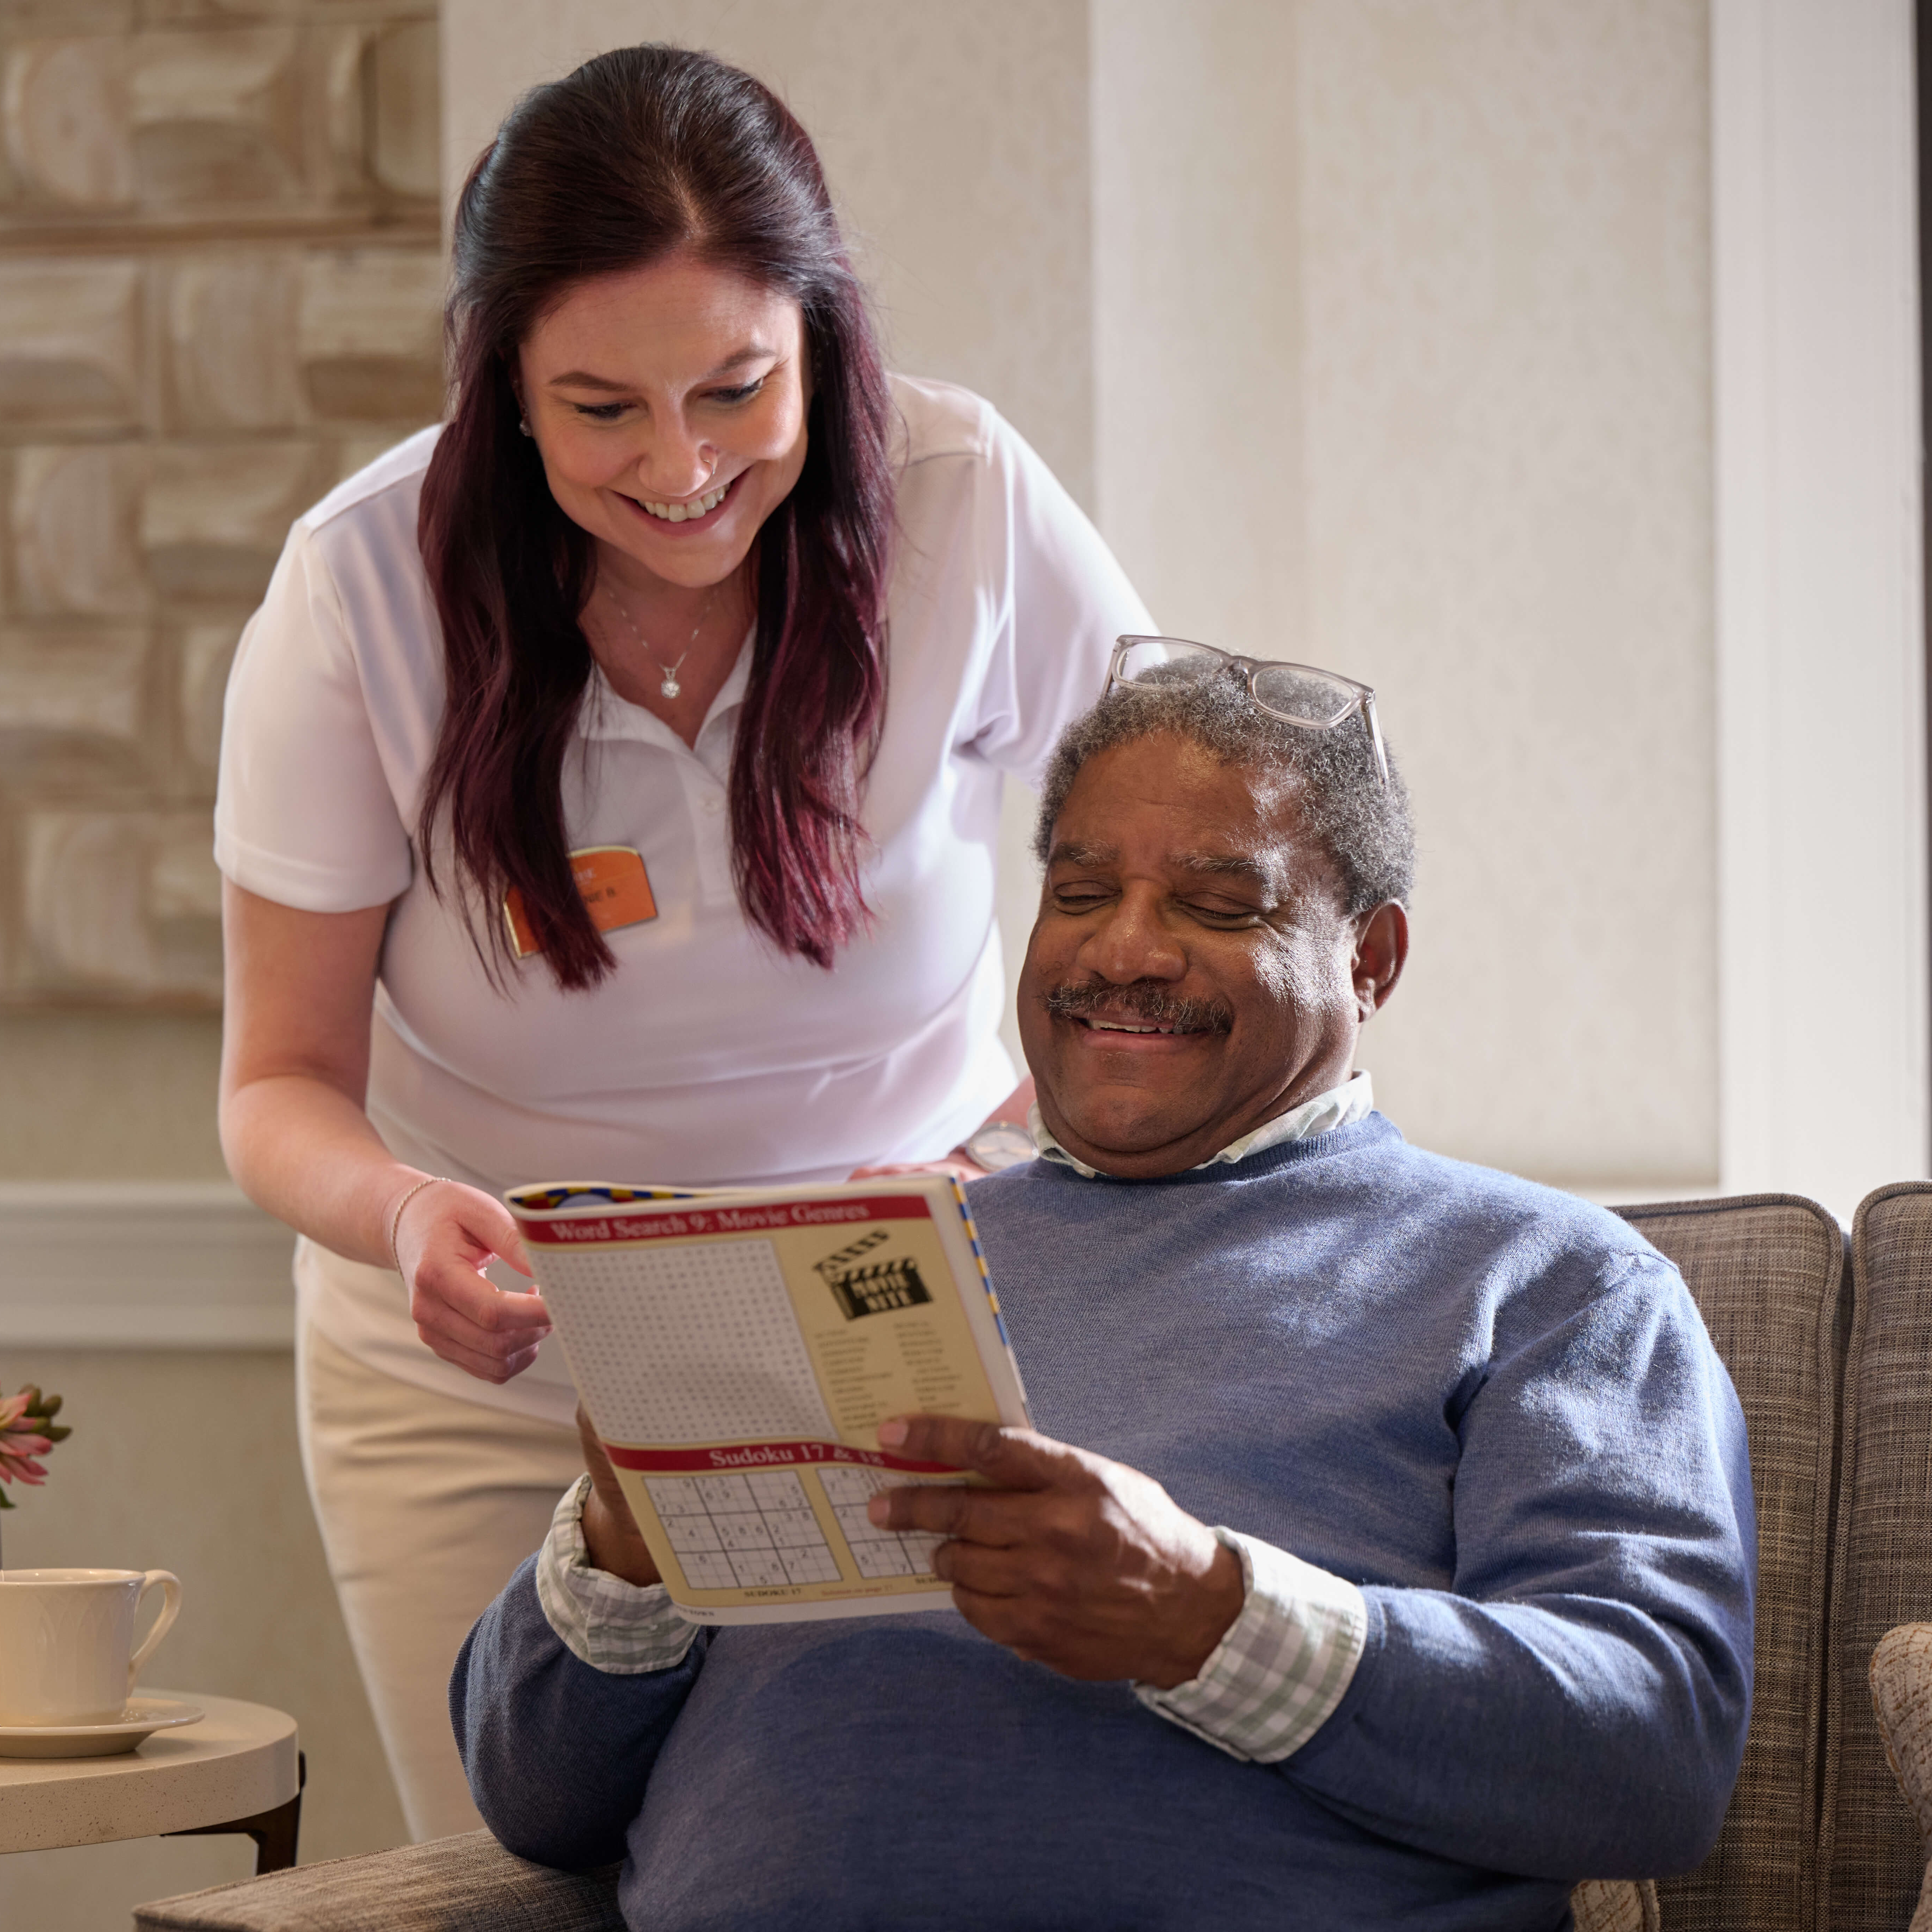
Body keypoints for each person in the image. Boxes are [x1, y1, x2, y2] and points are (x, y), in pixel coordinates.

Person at [213, 44, 1150, 1838]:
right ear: (501, 385)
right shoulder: (362, 591)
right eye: (601, 409)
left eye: (736, 388)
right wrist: (403, 1214)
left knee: (872, 1847)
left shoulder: (963, 501)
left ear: (820, 337)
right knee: (517, 1869)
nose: (682, 464)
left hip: (898, 1341)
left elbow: (1172, 896)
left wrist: (1005, 1155)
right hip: (496, 1383)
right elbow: (276, 1081)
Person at [452, 647, 1755, 1931]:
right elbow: (535, 1799)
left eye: (1218, 906)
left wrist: (1205, 1616)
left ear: (1372, 959)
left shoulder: (1551, 1282)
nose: (1124, 950)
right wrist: (628, 1541)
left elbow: (1653, 1757)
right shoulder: (846, 1259)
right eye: (1079, 893)